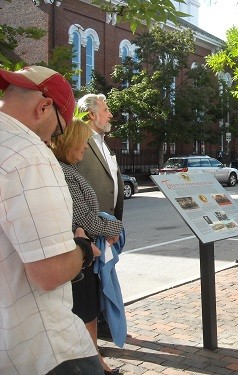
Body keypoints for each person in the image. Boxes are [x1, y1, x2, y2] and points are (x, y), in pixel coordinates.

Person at [0, 66, 102, 374]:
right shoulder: (28, 153)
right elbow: (50, 271)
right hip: (43, 349)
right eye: (59, 130)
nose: (53, 139)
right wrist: (84, 249)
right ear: (44, 106)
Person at [51, 119, 124, 375]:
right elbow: (83, 218)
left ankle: (95, 362)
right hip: (77, 254)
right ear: (68, 141)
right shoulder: (62, 171)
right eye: (82, 141)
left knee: (89, 311)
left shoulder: (67, 168)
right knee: (85, 312)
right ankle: (93, 366)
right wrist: (115, 228)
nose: (85, 147)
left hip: (83, 250)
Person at [76, 93, 124, 338]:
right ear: (92, 114)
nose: (110, 114)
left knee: (105, 278)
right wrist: (102, 228)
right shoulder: (79, 140)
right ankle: (94, 338)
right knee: (92, 285)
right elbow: (81, 189)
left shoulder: (103, 142)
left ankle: (103, 328)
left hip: (108, 227)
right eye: (106, 110)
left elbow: (111, 182)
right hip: (92, 227)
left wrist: (114, 224)